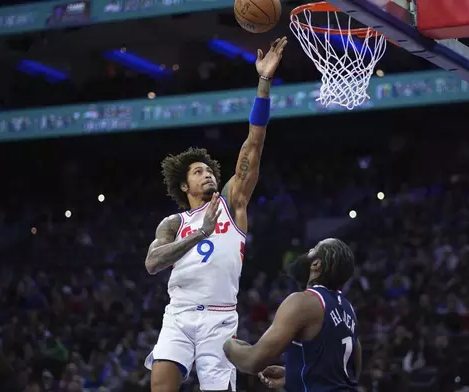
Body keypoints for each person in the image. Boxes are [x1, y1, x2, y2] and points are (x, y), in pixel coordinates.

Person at [143, 37, 288, 392]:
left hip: (219, 318)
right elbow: (152, 263)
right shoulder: (173, 224)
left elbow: (254, 143)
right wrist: (198, 234)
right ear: (183, 186)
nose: (207, 173)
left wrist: (264, 82)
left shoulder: (232, 202)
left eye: (209, 169)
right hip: (177, 314)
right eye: (197, 171)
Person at [223, 238, 362, 391]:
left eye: (313, 249)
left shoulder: (303, 302)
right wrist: (294, 374)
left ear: (316, 264)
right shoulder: (349, 310)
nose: (308, 251)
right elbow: (350, 372)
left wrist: (226, 344)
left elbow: (252, 362)